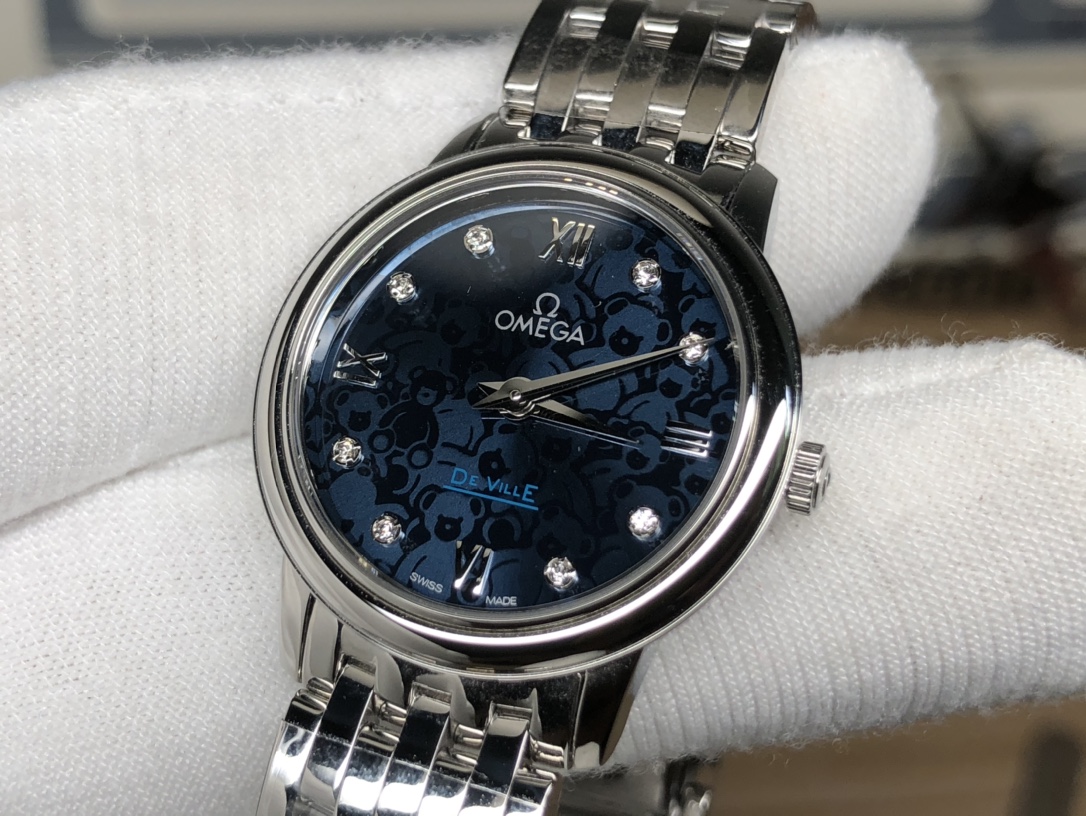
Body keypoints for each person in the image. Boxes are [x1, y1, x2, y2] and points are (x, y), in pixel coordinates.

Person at [1, 33, 1083, 814]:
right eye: (514, 396)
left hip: (509, 611)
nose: (513, 398)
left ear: (782, 470)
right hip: (365, 577)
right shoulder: (403, 274)